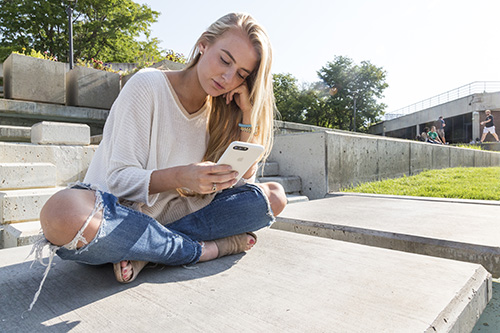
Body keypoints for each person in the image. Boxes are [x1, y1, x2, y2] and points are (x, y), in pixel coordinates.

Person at [29, 13, 287, 309]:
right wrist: (180, 177)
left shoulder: (223, 110)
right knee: (61, 213)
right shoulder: (147, 85)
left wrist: (247, 118)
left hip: (175, 218)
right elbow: (119, 180)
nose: (228, 78)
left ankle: (150, 250)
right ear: (203, 45)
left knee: (273, 198)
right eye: (225, 60)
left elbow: (243, 187)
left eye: (242, 74)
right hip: (118, 217)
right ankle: (206, 249)